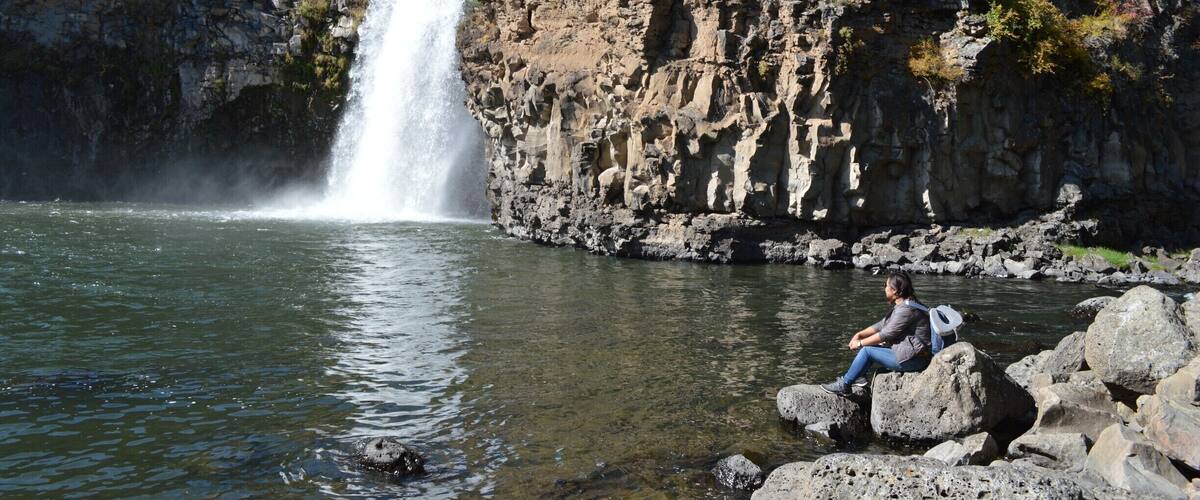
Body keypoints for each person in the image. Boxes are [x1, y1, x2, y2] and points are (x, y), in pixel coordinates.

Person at [821, 271, 932, 395]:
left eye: (885, 285)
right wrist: (860, 334)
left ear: (894, 290)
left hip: (915, 360)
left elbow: (886, 334)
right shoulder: (907, 303)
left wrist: (860, 343)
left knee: (867, 350)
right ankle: (859, 376)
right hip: (912, 353)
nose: (884, 288)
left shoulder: (906, 309)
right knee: (871, 345)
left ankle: (845, 385)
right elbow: (882, 324)